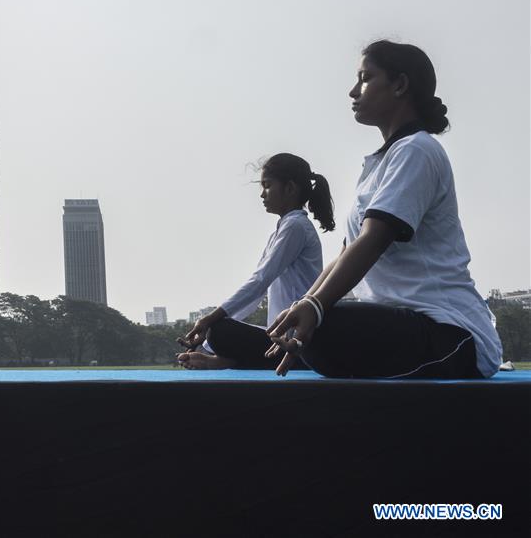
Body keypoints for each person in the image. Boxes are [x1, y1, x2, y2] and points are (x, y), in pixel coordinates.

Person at [266, 40, 502, 379]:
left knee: (324, 328)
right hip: (401, 323)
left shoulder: (417, 150)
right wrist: (305, 304)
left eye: (365, 77)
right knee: (302, 326)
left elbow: (374, 239)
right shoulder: (381, 163)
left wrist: (316, 309)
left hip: (451, 333)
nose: (353, 91)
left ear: (400, 85)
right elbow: (347, 253)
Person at [177, 153, 335, 370]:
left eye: (267, 186)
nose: (262, 195)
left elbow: (260, 281)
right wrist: (207, 344)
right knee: (219, 331)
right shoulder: (283, 229)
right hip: (279, 338)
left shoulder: (296, 227)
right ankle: (225, 359)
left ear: (290, 188)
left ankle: (227, 361)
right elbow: (257, 291)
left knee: (219, 331)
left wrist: (210, 320)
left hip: (299, 340)